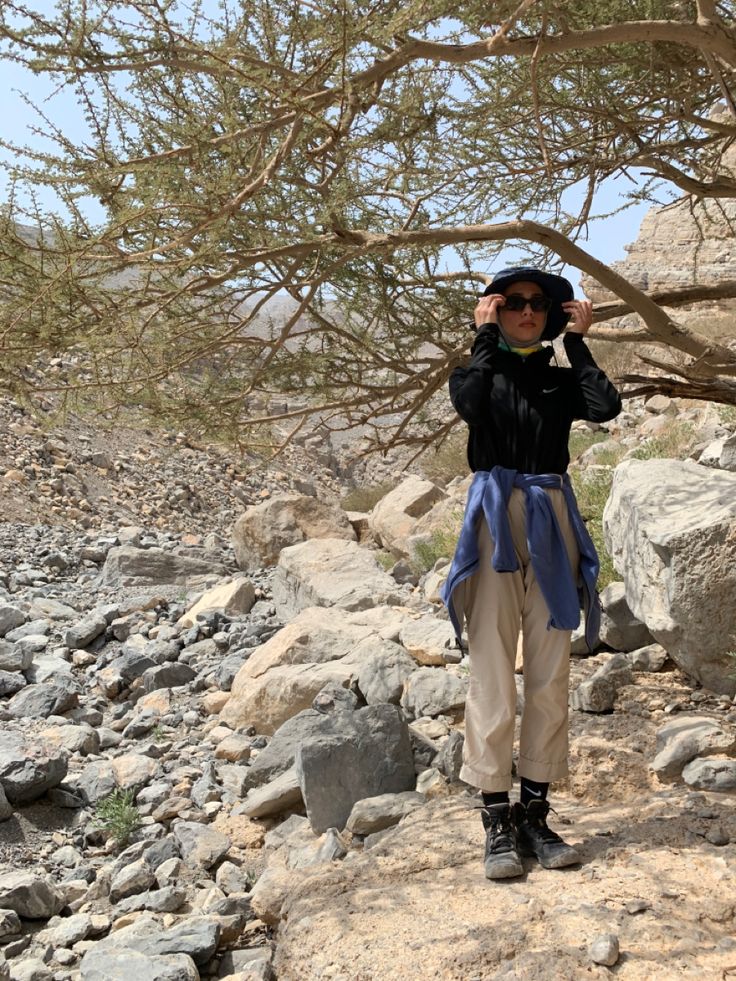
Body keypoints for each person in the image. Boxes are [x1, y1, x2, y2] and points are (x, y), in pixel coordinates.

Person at [440, 265, 622, 880]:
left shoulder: (560, 381)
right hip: (494, 517)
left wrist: (577, 341)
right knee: (491, 668)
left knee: (549, 670)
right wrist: (483, 338)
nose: (526, 311)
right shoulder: (476, 371)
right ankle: (495, 818)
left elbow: (606, 405)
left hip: (552, 516)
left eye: (538, 304)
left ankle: (536, 816)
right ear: (496, 311)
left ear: (550, 314)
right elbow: (468, 406)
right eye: (513, 303)